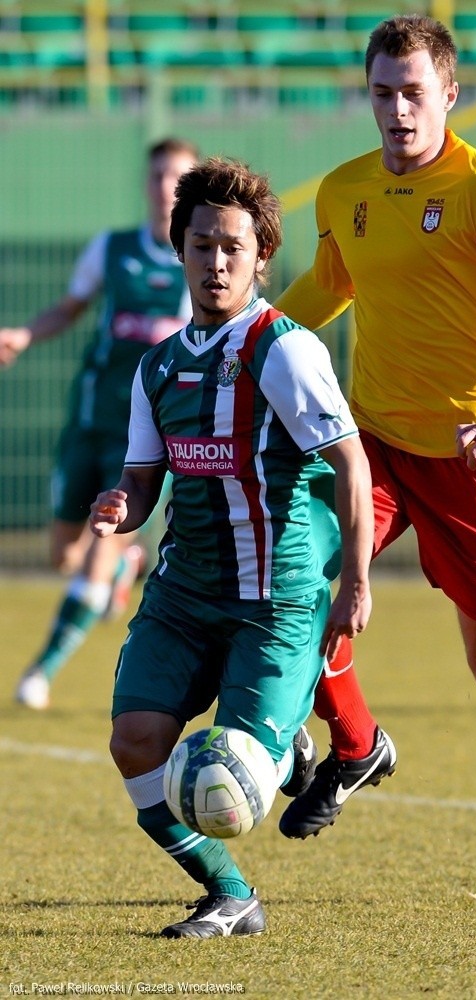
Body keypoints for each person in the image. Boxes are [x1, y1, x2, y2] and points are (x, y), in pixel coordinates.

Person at [275, 14, 476, 905]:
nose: (397, 111)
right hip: (369, 442)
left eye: (413, 92)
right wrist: (251, 341)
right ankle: (356, 745)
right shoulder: (345, 191)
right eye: (382, 93)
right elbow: (329, 288)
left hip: (471, 453)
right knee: (303, 591)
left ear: (449, 92)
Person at [89, 155, 375, 938]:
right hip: (184, 596)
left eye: (233, 248)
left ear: (259, 259)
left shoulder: (282, 350)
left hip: (275, 602)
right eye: (202, 244)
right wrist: (122, 505)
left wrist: (353, 581)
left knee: (230, 786)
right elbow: (143, 481)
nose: (216, 262)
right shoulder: (159, 366)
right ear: (180, 248)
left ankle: (280, 748)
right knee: (135, 744)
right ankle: (229, 895)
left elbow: (351, 464)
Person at [0, 137, 200, 711]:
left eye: (179, 177)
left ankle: (41, 671)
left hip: (145, 438)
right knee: (62, 552)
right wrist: (24, 334)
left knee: (100, 545)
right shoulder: (110, 249)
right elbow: (70, 307)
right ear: (146, 181)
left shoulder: (205, 261)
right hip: (88, 421)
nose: (167, 186)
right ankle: (124, 569)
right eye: (159, 174)